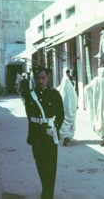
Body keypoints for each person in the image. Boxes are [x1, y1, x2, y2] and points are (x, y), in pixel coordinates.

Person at [24, 66, 64, 199]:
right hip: (36, 134)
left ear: (48, 78)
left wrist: (55, 128)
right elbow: (29, 115)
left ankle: (48, 194)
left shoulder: (54, 94)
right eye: (38, 78)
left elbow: (61, 114)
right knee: (40, 163)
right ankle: (45, 188)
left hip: (50, 133)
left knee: (51, 165)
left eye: (43, 78)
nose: (40, 81)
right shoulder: (30, 94)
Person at [84, 67, 104, 146]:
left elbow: (88, 88)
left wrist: (86, 90)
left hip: (97, 106)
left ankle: (102, 136)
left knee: (98, 120)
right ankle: (103, 135)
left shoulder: (96, 80)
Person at [57, 69, 78, 146]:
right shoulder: (71, 87)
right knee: (71, 122)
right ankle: (68, 136)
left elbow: (58, 91)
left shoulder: (62, 87)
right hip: (71, 108)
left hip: (64, 108)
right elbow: (75, 97)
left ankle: (65, 136)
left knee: (64, 121)